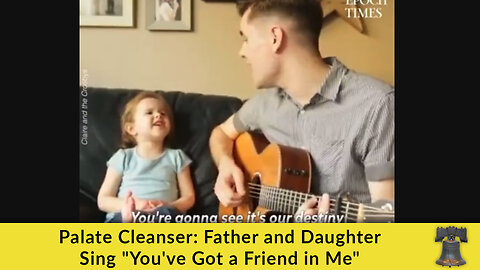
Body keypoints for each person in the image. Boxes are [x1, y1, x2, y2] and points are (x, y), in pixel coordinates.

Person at [209, 0, 394, 220]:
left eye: (246, 39)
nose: (242, 52)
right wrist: (225, 165)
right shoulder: (264, 105)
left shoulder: (377, 104)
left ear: (275, 38)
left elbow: (386, 217)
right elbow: (220, 134)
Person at [98, 91, 195, 222]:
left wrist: (169, 206)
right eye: (149, 112)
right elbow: (103, 200)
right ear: (131, 129)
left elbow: (189, 197)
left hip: (163, 215)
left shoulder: (177, 157)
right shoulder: (123, 157)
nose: (158, 115)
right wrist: (134, 205)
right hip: (125, 214)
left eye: (163, 113)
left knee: (167, 215)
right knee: (120, 219)